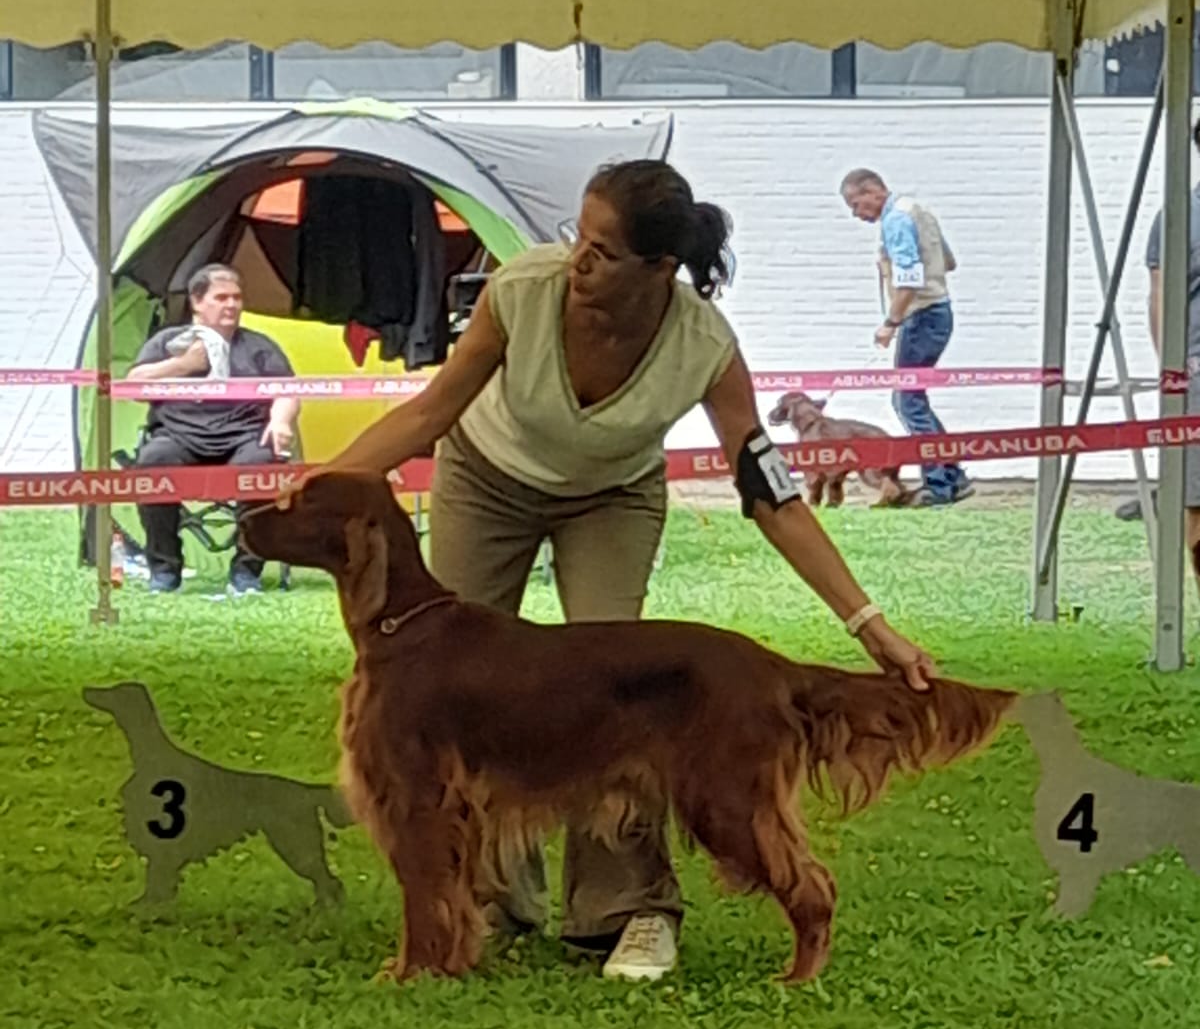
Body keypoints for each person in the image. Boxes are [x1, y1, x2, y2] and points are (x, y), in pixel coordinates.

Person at [330, 160, 936, 983]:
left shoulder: (702, 347)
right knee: (459, 694)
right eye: (580, 238)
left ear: (658, 268)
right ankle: (486, 905)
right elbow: (433, 410)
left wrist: (870, 624)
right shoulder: (522, 291)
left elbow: (771, 492)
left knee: (622, 699)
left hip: (610, 499)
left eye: (604, 251)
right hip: (486, 479)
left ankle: (631, 912)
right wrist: (324, 486)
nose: (579, 261)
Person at [129, 264, 299, 595]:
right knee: (153, 460)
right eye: (221, 297)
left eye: (237, 298)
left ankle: (246, 572)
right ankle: (164, 570)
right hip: (179, 437)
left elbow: (287, 391)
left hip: (245, 436)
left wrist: (280, 420)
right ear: (196, 301)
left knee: (260, 465)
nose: (232, 305)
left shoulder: (260, 347)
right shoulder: (167, 342)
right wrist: (183, 366)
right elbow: (133, 386)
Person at [840, 168, 972, 507]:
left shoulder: (895, 221)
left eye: (856, 204)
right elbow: (948, 262)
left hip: (921, 317)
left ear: (873, 191)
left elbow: (909, 279)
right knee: (914, 399)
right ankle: (952, 474)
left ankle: (940, 485)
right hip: (939, 312)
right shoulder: (917, 209)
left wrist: (890, 322)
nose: (857, 214)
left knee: (908, 400)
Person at [1143, 116, 1200, 598]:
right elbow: (1160, 294)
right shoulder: (1179, 214)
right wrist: (1173, 369)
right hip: (1198, 369)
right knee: (1197, 495)